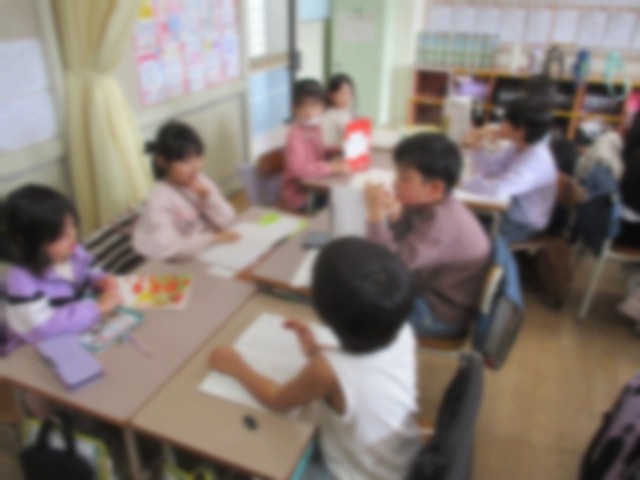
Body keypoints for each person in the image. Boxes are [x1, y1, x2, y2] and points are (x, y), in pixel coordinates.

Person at [209, 238, 423, 479]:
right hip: (404, 458)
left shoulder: (326, 370)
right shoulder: (403, 331)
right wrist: (319, 349)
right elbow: (368, 366)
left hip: (360, 473)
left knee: (267, 457)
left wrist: (238, 367)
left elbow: (278, 399)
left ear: (322, 307)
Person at [365, 133, 491, 339]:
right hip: (424, 287)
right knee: (358, 286)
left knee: (358, 309)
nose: (395, 184)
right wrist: (394, 215)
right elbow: (401, 244)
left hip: (437, 312)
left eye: (404, 178)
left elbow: (389, 266)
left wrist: (376, 216)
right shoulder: (427, 204)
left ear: (434, 188)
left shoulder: (441, 222)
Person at [2, 184, 121, 344]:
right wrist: (96, 308)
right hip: (32, 346)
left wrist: (99, 279)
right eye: (60, 235)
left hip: (74, 325)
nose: (72, 236)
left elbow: (89, 268)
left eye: (73, 225)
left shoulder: (74, 251)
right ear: (29, 241)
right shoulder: (21, 281)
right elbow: (44, 328)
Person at [133, 121, 238, 260]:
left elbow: (229, 219)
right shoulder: (159, 199)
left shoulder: (200, 181)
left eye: (198, 157)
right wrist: (212, 238)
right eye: (186, 161)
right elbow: (170, 248)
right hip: (183, 262)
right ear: (162, 161)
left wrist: (208, 197)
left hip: (209, 252)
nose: (196, 166)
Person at [461, 97, 557, 243]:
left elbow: (498, 190)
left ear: (520, 131)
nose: (500, 124)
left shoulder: (536, 160)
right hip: (507, 209)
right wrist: (478, 145)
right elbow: (490, 169)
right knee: (459, 223)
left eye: (505, 121)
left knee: (465, 238)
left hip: (521, 223)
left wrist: (461, 183)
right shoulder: (518, 145)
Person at [281, 79, 349, 212]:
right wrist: (332, 167)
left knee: (345, 198)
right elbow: (299, 169)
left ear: (322, 107)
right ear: (293, 108)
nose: (308, 112)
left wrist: (337, 149)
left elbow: (320, 151)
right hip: (299, 196)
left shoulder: (317, 127)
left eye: (313, 106)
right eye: (302, 106)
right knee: (339, 207)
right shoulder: (295, 134)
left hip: (317, 186)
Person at [322, 73, 356, 148]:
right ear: (331, 94)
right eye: (341, 93)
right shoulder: (327, 115)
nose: (346, 97)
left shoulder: (350, 112)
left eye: (349, 93)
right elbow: (326, 143)